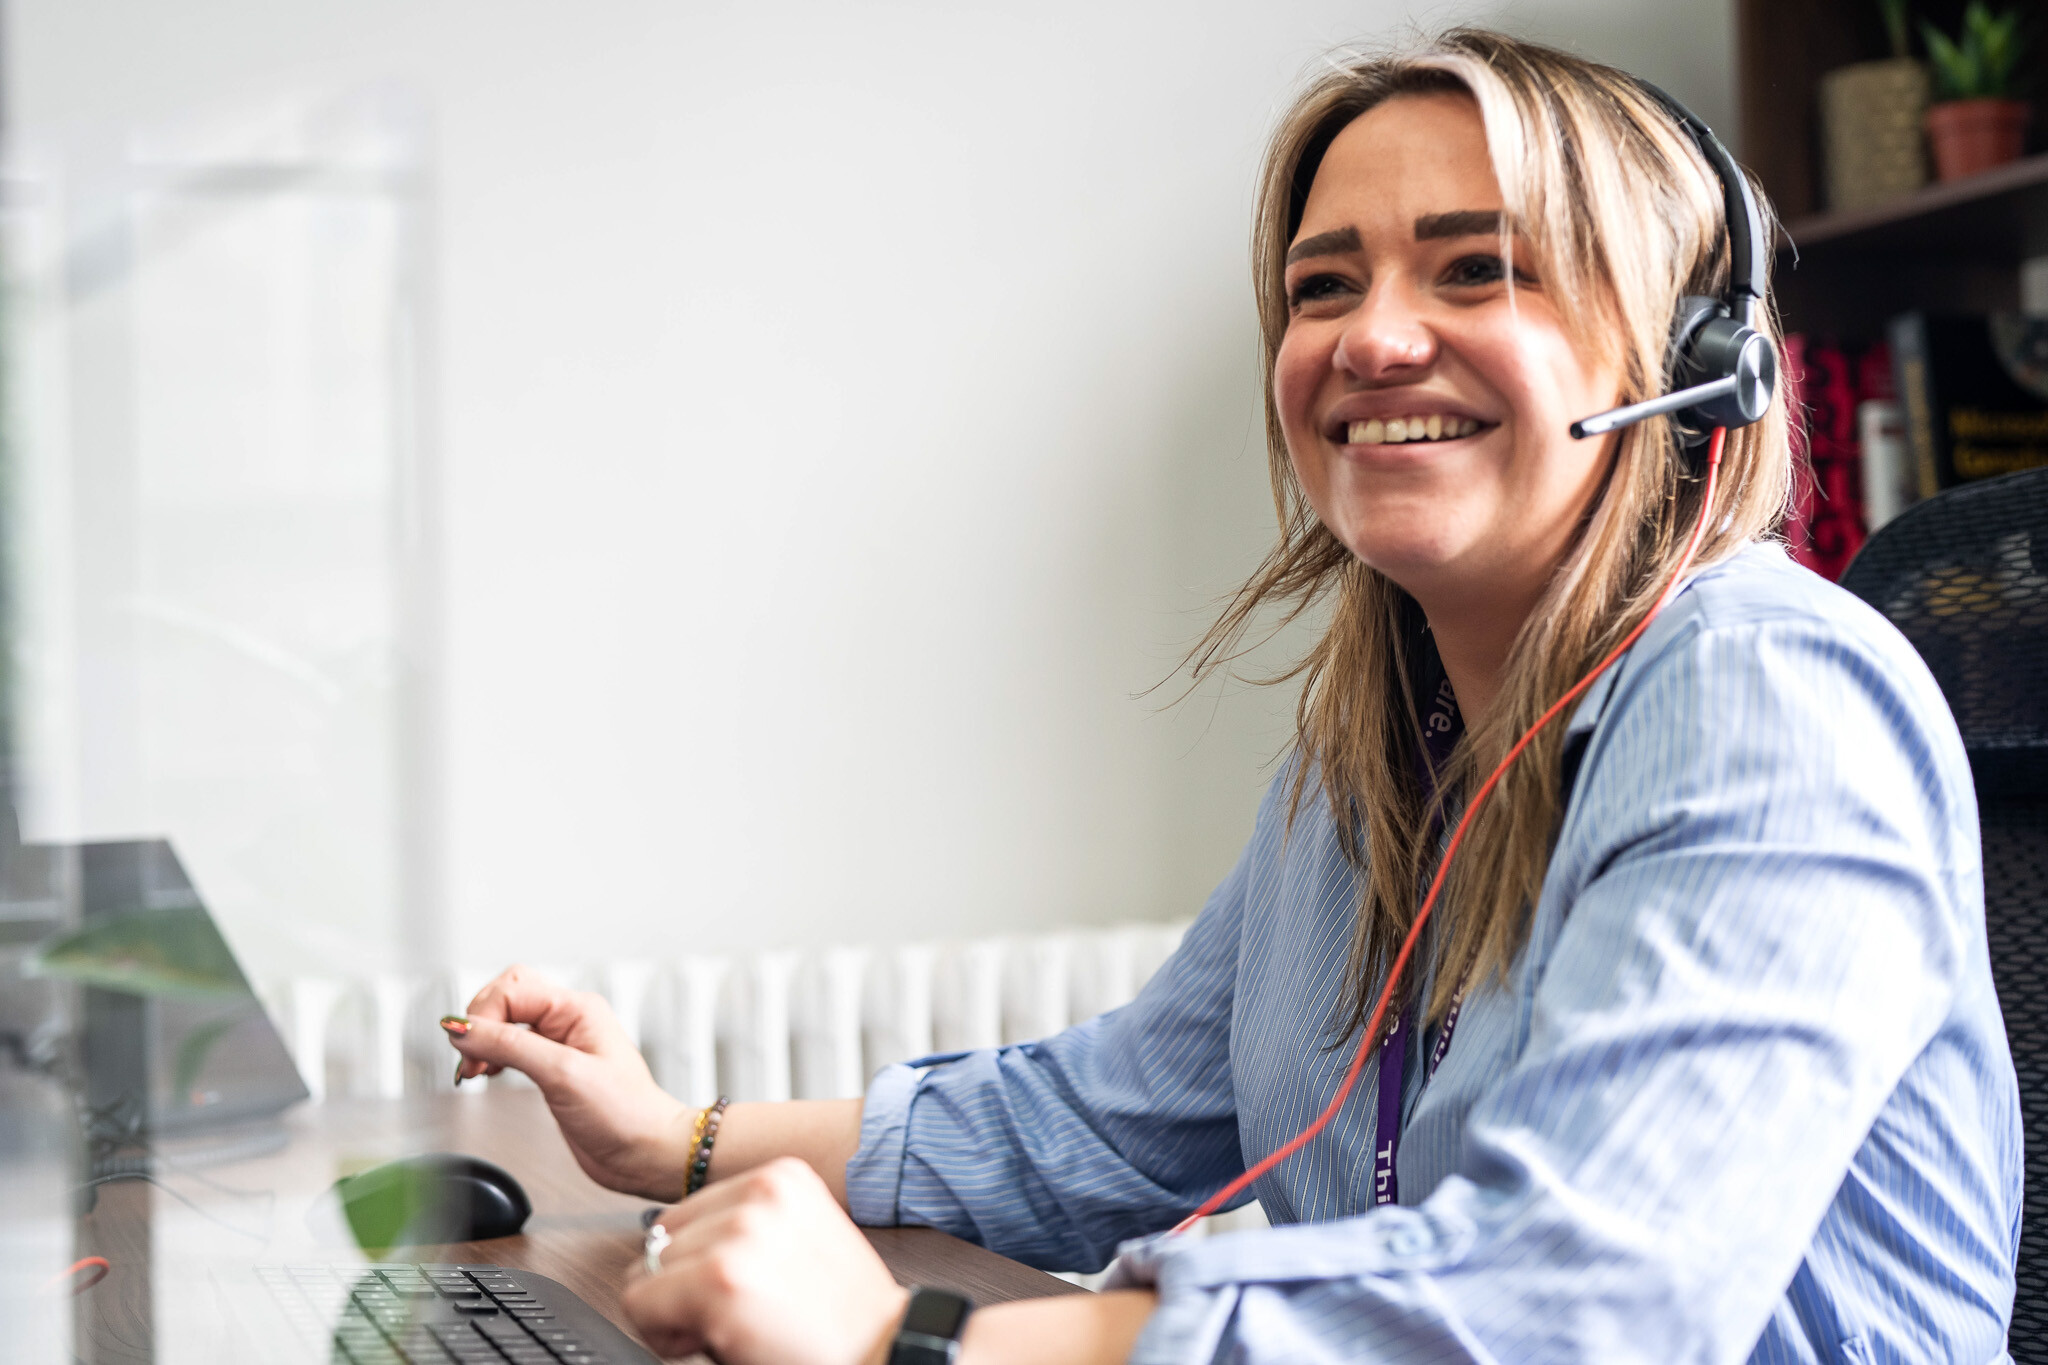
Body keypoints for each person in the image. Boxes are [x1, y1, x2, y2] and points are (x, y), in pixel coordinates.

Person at [441, 29, 2021, 1364]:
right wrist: (673, 1136)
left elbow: (1583, 1298)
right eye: (1324, 285)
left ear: (1689, 356)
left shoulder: (1768, 694)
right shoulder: (1375, 761)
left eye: (1481, 268)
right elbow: (1107, 1118)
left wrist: (913, 1336)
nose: (1375, 337)